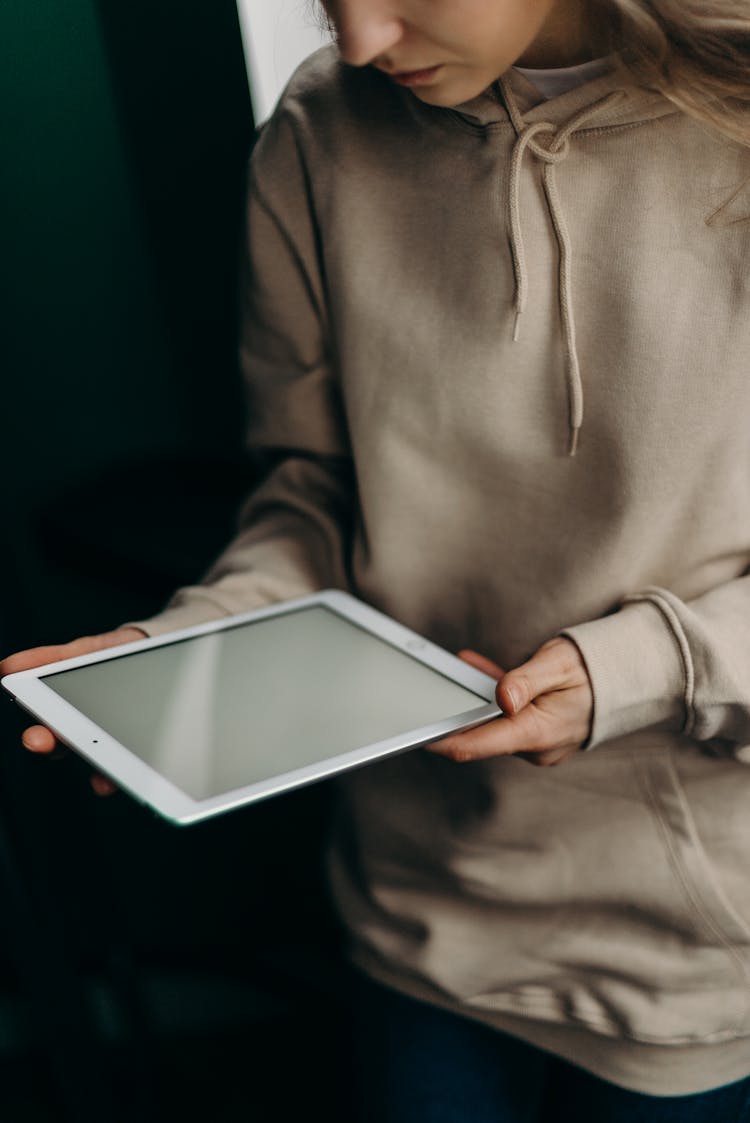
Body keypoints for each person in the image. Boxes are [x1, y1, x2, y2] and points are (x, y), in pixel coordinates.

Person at [3, 0, 750, 1118]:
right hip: (415, 913)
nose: (358, 39)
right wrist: (198, 644)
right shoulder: (318, 133)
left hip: (697, 951)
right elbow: (311, 501)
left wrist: (641, 668)